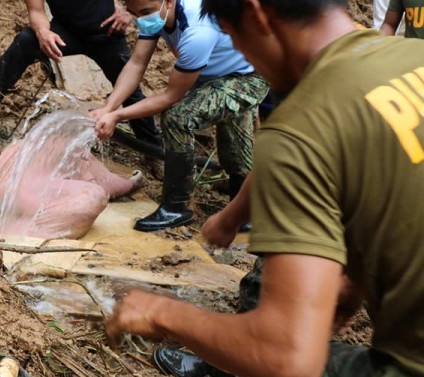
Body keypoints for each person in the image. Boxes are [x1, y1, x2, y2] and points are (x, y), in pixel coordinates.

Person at [105, 0, 424, 377]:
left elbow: (286, 357)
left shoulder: (302, 128)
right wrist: (354, 283)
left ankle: (223, 366)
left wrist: (160, 313)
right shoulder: (414, 55)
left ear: (257, 14)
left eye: (237, 40)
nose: (247, 61)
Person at [90, 0, 269, 232]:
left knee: (177, 117)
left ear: (169, 2)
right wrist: (108, 107)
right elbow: (136, 63)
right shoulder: (154, 12)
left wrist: (117, 116)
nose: (142, 20)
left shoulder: (198, 31)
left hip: (247, 78)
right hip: (214, 73)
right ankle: (247, 209)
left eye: (145, 13)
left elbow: (170, 97)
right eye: (135, 14)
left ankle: (176, 207)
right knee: (234, 149)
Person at [0, 0, 161, 164]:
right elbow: (36, 12)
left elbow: (142, 4)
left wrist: (128, 12)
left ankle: (154, 152)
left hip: (106, 33)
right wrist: (44, 33)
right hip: (66, 32)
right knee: (25, 41)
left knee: (130, 91)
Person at [0, 110, 143, 240]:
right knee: (94, 196)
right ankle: (21, 233)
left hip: (5, 199)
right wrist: (132, 183)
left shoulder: (19, 147)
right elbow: (109, 183)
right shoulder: (79, 153)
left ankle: (15, 229)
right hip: (29, 212)